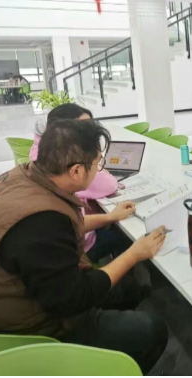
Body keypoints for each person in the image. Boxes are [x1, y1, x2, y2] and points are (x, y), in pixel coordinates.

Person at [0, 119, 168, 373]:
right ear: (76, 171)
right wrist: (134, 254)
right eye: (98, 164)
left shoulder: (22, 178)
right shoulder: (42, 223)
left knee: (124, 290)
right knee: (151, 329)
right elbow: (73, 299)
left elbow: (60, 230)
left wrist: (109, 217)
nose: (99, 170)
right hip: (21, 330)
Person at [30, 103, 122, 263]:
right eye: (83, 127)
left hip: (77, 236)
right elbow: (108, 185)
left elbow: (73, 223)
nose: (90, 133)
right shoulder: (69, 169)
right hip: (81, 248)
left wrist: (110, 217)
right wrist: (135, 254)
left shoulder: (41, 156)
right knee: (124, 236)